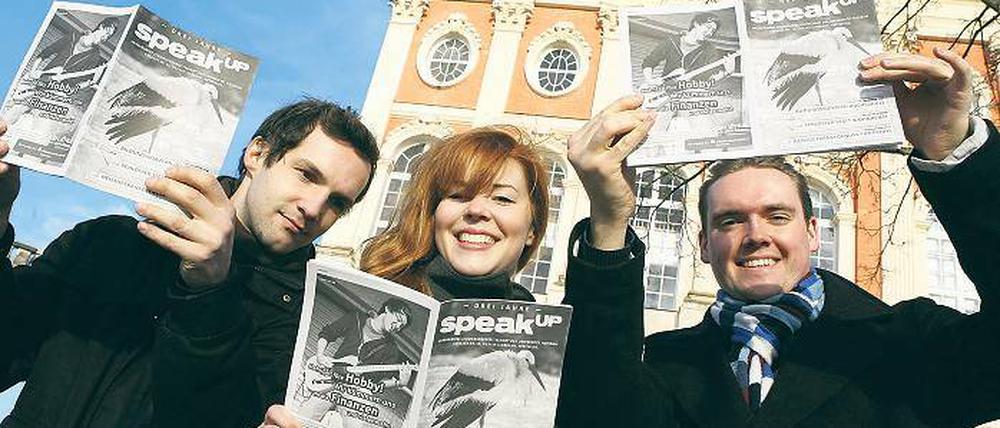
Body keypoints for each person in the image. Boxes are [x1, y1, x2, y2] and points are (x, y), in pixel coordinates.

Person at [556, 47, 1000, 427]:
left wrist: (957, 155)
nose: (755, 235)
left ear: (812, 233)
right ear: (704, 245)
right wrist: (610, 221)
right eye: (730, 221)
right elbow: (596, 406)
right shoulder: (665, 364)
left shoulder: (909, 343)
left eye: (777, 215)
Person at [0, 98, 379, 427]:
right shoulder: (109, 241)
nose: (314, 209)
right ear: (257, 154)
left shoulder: (307, 327)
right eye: (307, 175)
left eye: (337, 202)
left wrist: (209, 294)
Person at [259, 126, 551, 427]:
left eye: (502, 198)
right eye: (457, 195)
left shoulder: (551, 336)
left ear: (532, 227)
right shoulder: (327, 302)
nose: (477, 210)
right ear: (434, 214)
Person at [296, 298, 414, 424]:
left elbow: (377, 384)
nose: (397, 326)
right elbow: (327, 334)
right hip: (333, 379)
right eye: (398, 320)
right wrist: (320, 356)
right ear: (388, 309)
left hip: (357, 391)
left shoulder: (392, 349)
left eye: (401, 326)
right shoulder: (356, 318)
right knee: (301, 418)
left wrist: (399, 383)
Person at [641, 12, 734, 85]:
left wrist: (727, 73)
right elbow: (649, 62)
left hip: (688, 95)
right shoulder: (671, 41)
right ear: (696, 24)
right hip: (663, 91)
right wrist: (649, 81)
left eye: (712, 31)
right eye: (708, 27)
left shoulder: (710, 50)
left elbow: (709, 80)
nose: (709, 33)